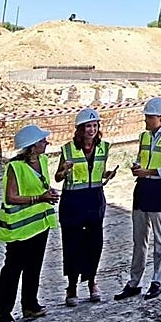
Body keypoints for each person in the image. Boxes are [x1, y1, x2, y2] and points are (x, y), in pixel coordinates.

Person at [115, 97, 161, 301]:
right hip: (142, 189)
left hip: (158, 188)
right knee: (138, 240)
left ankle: (157, 281)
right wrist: (137, 167)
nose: (145, 120)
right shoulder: (144, 137)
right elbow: (141, 158)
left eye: (149, 117)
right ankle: (134, 282)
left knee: (160, 240)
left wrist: (148, 171)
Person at [0, 125, 59, 322]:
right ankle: (4, 313)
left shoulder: (42, 161)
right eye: (42, 142)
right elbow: (11, 197)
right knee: (13, 269)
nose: (45, 144)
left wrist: (48, 193)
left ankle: (30, 304)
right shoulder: (15, 167)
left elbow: (40, 185)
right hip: (20, 228)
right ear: (31, 147)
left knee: (34, 266)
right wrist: (38, 198)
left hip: (40, 223)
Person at [56, 107, 116, 305]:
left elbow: (96, 172)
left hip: (95, 199)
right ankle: (72, 286)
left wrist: (105, 174)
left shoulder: (104, 148)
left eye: (94, 125)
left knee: (94, 243)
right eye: (87, 126)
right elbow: (58, 177)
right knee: (73, 244)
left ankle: (91, 282)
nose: (91, 129)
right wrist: (64, 171)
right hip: (73, 201)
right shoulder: (67, 149)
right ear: (80, 129)